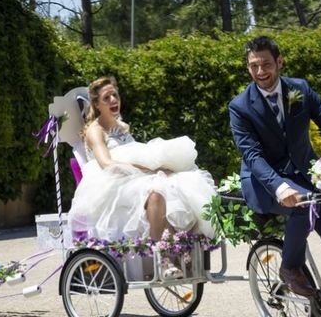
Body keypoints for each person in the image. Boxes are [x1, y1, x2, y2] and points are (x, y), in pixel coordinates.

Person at [229, 36, 321, 317]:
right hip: (265, 182)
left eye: (266, 64)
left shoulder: (299, 89)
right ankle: (290, 266)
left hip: (304, 173)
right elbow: (252, 156)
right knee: (303, 206)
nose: (260, 72)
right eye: (253, 66)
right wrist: (280, 187)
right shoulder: (240, 107)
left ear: (279, 62)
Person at [68, 76, 216, 277]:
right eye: (106, 97)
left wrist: (162, 167)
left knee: (184, 183)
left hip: (133, 178)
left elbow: (137, 154)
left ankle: (185, 246)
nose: (113, 100)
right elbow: (107, 164)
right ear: (96, 104)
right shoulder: (96, 130)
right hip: (111, 184)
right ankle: (163, 260)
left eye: (115, 95)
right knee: (155, 192)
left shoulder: (123, 127)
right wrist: (145, 170)